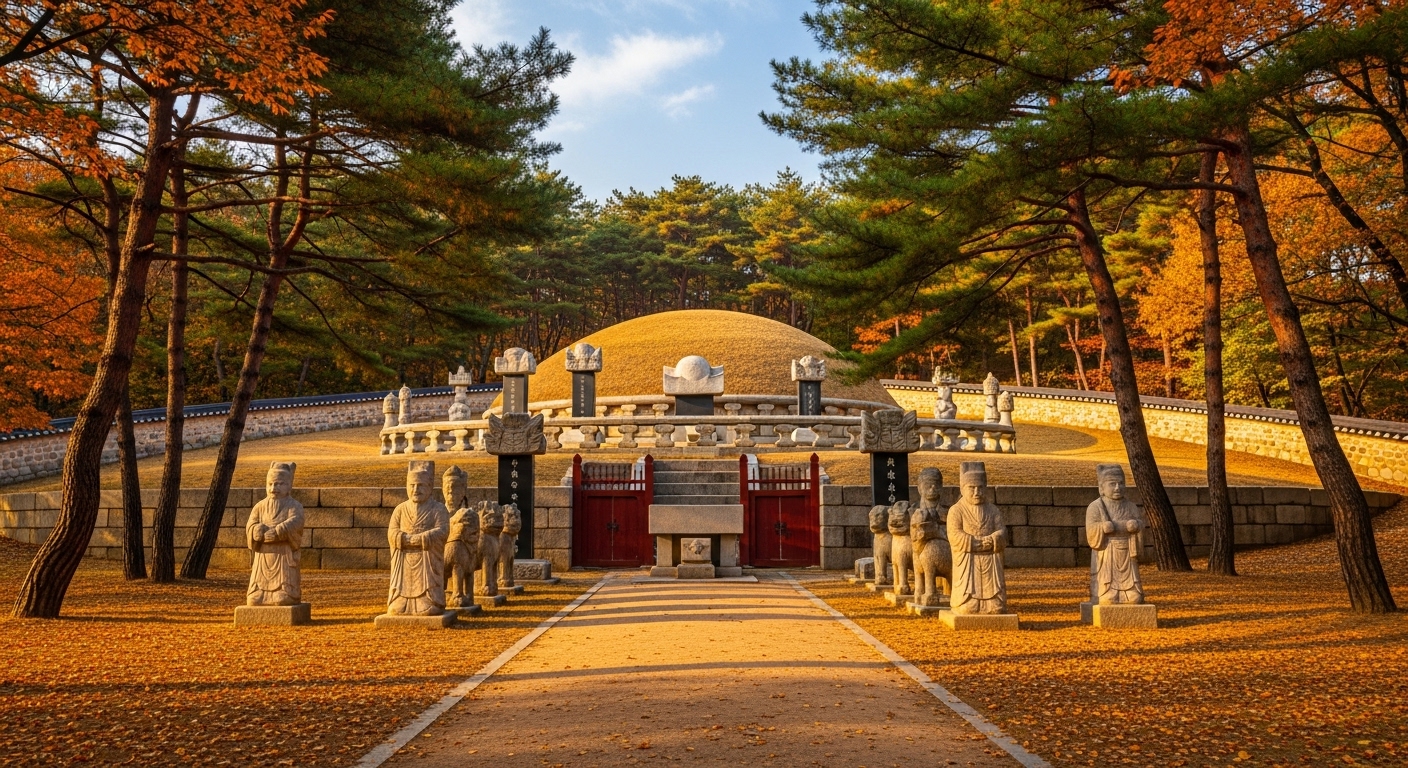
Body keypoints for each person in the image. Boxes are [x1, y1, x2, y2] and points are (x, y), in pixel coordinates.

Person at [387, 461, 449, 615]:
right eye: (412, 485)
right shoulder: (400, 509)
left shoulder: (438, 509)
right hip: (404, 559)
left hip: (427, 561)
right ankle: (400, 599)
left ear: (430, 487)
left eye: (420, 485)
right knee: (396, 609)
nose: (416, 489)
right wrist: (403, 538)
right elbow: (392, 532)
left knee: (428, 607)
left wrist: (423, 538)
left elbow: (443, 531)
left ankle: (428, 600)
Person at [947, 461, 1008, 615]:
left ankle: (993, 600)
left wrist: (994, 539)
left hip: (989, 559)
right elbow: (954, 534)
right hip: (968, 561)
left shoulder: (993, 510)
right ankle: (967, 600)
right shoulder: (956, 511)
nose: (976, 492)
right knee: (968, 607)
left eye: (980, 488)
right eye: (972, 488)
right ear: (962, 489)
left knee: (996, 607)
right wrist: (973, 542)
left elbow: (1002, 531)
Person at [245, 462, 305, 606]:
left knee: (282, 598)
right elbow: (250, 524)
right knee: (254, 600)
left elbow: (297, 521)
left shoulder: (294, 505)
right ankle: (258, 591)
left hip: (283, 554)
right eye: (270, 484)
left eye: (279, 484)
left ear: (289, 485)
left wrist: (280, 531)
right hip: (263, 555)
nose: (274, 488)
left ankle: (286, 590)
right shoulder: (259, 506)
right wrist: (255, 530)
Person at [1086, 464, 1147, 605]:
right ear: (1101, 488)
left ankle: (1130, 590)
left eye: (1121, 483)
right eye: (1112, 484)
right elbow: (1091, 531)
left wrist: (1136, 525)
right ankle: (1106, 590)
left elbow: (1140, 525)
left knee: (1134, 599)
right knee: (1107, 599)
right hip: (1107, 553)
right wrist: (1102, 527)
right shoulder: (1095, 507)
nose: (1117, 488)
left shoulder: (1131, 506)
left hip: (1127, 552)